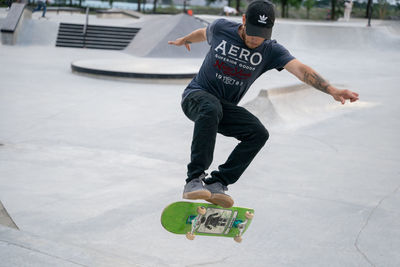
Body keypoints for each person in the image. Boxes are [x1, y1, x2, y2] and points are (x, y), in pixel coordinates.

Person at [168, 0, 359, 208]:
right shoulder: (222, 28)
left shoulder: (271, 50)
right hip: (196, 96)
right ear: (243, 21)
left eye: (261, 35)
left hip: (223, 109)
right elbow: (203, 33)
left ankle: (217, 183)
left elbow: (301, 70)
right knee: (210, 106)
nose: (256, 39)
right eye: (252, 33)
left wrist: (331, 90)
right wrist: (185, 39)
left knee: (258, 133)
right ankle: (194, 179)